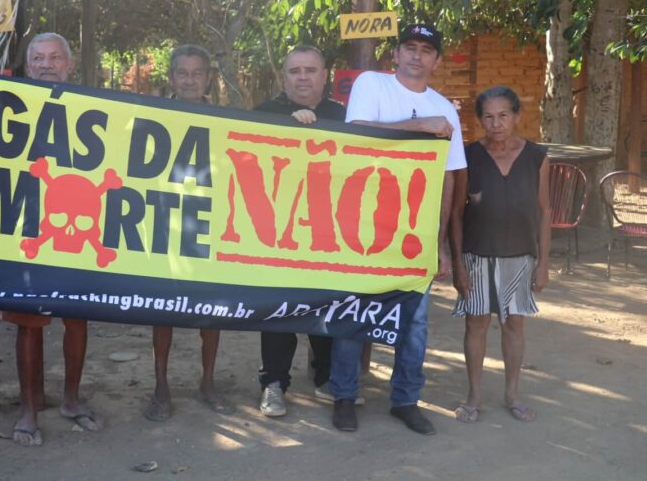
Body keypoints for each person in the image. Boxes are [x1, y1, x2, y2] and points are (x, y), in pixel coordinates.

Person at [330, 23, 466, 435]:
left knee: (416, 322)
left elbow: (447, 178)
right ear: (396, 54)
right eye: (409, 47)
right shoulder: (372, 84)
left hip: (414, 233)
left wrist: (440, 242)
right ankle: (344, 395)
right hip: (362, 223)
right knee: (354, 311)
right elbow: (355, 133)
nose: (416, 56)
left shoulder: (446, 108)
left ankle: (405, 399)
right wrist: (420, 126)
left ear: (437, 61)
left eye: (426, 50)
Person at [6, 32, 100, 445]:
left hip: (75, 222)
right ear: (28, 67)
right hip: (28, 225)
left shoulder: (92, 107)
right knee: (29, 321)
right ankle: (29, 408)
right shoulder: (9, 105)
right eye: (39, 58)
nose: (47, 65)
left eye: (55, 58)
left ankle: (72, 400)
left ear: (70, 64)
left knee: (77, 316)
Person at [253, 45, 347, 417]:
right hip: (277, 233)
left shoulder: (343, 116)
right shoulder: (263, 114)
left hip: (328, 231)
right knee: (279, 312)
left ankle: (324, 377)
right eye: (295, 71)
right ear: (284, 76)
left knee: (326, 307)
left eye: (311, 70)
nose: (303, 77)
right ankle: (273, 383)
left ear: (325, 75)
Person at [450, 86, 549, 424]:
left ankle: (513, 394)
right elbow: (456, 213)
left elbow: (544, 211)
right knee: (476, 323)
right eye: (488, 117)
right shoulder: (468, 156)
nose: (496, 123)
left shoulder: (536, 156)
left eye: (503, 115)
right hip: (477, 254)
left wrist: (544, 264)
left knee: (513, 324)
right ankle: (473, 395)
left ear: (517, 116)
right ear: (480, 120)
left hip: (520, 256)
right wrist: (459, 263)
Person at [145, 44, 232, 422]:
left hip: (209, 222)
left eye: (198, 73)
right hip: (165, 221)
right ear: (172, 77)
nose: (190, 80)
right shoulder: (152, 117)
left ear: (208, 78)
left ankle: (207, 382)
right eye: (183, 73)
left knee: (210, 310)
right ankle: (160, 385)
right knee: (162, 307)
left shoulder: (225, 119)